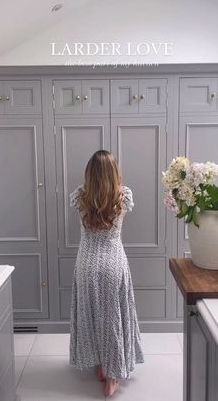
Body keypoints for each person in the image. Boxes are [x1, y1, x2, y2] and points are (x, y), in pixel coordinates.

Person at [69, 150, 144, 397]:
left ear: (89, 173)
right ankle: (113, 376)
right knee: (112, 319)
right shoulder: (123, 196)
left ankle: (99, 366)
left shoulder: (80, 196)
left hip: (87, 263)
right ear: (114, 172)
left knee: (89, 315)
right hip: (113, 262)